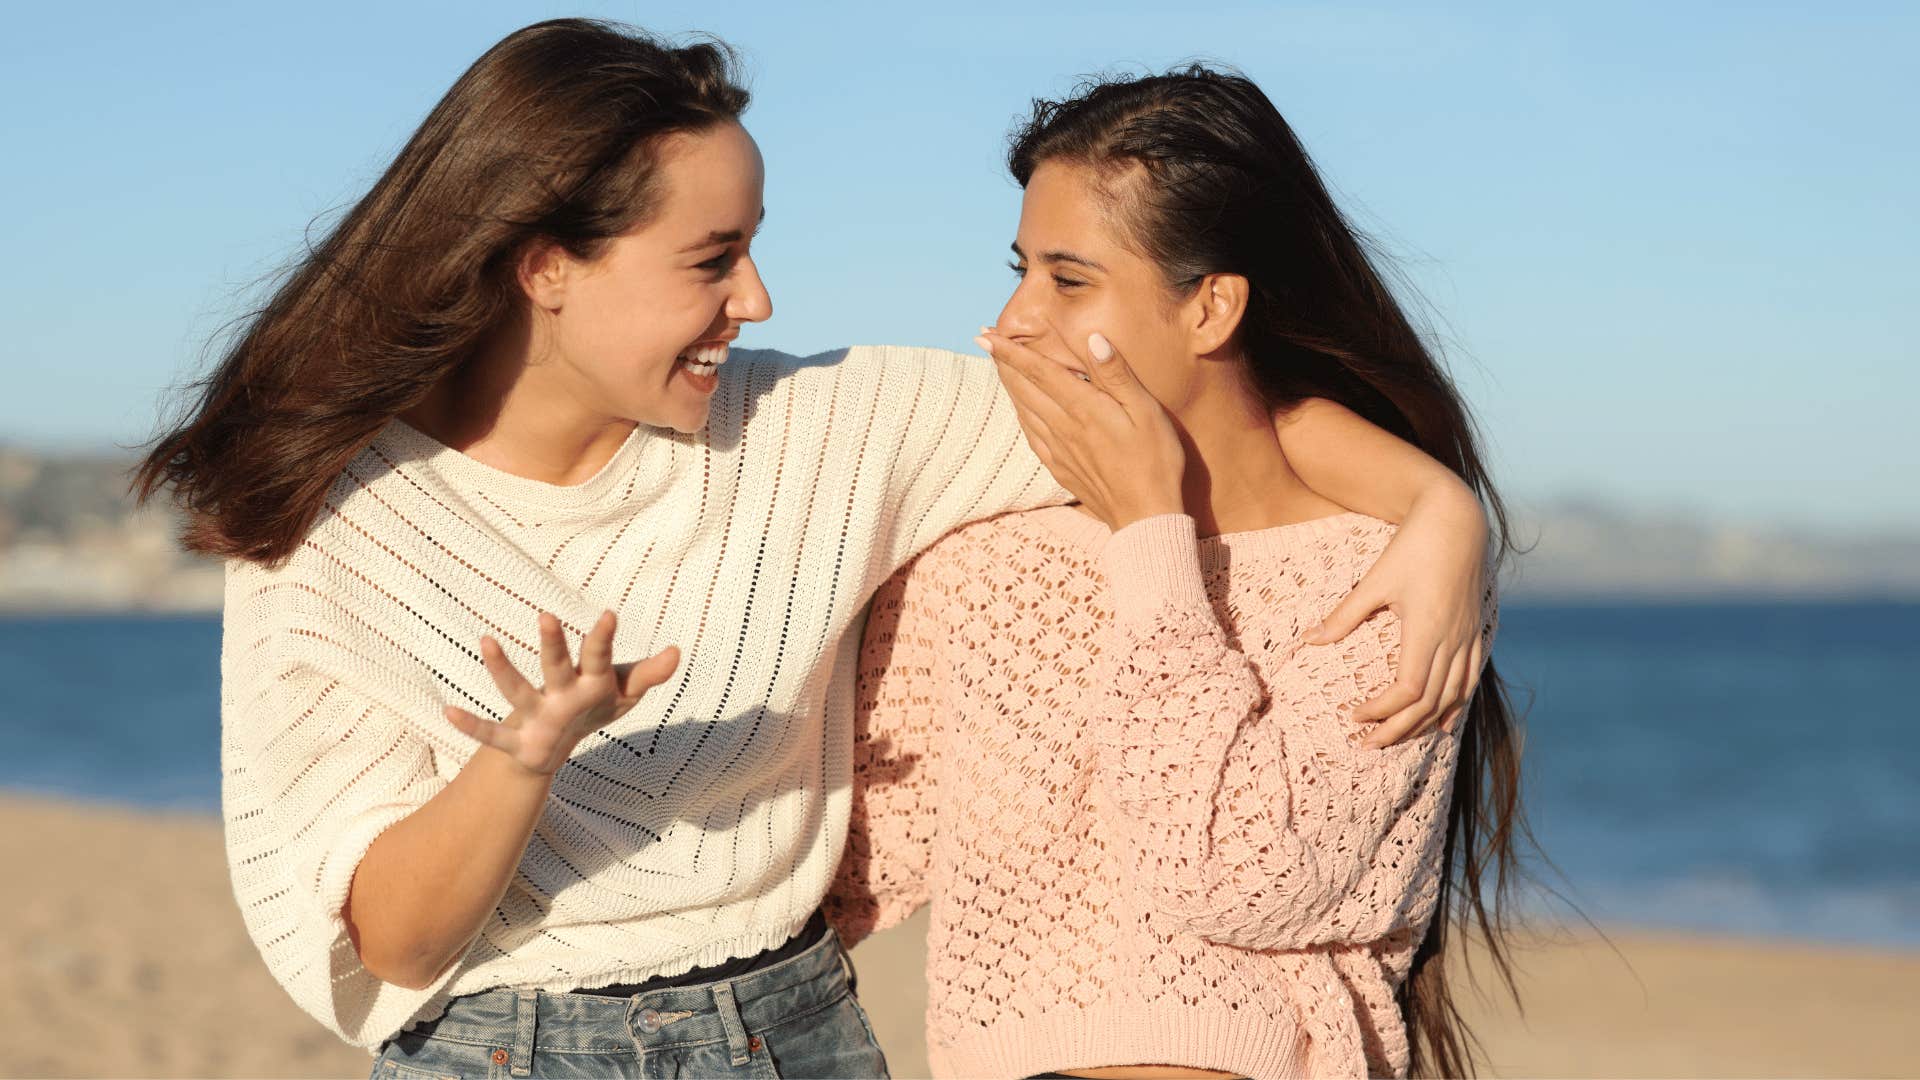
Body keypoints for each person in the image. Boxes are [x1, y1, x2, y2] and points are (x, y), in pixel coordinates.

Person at [135, 22, 1494, 1079]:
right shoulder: (323, 530)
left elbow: (1175, 414)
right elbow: (398, 942)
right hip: (508, 1049)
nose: (760, 300)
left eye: (756, 251)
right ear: (544, 264)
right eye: (712, 259)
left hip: (799, 1033)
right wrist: (520, 760)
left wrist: (1438, 509)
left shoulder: (831, 428)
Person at [827, 66, 1523, 1079]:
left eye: (1068, 280)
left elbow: (1240, 875)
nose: (1015, 319)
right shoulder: (986, 555)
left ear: (1210, 311)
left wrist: (1153, 534)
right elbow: (847, 856)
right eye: (1020, 269)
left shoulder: (1385, 572)